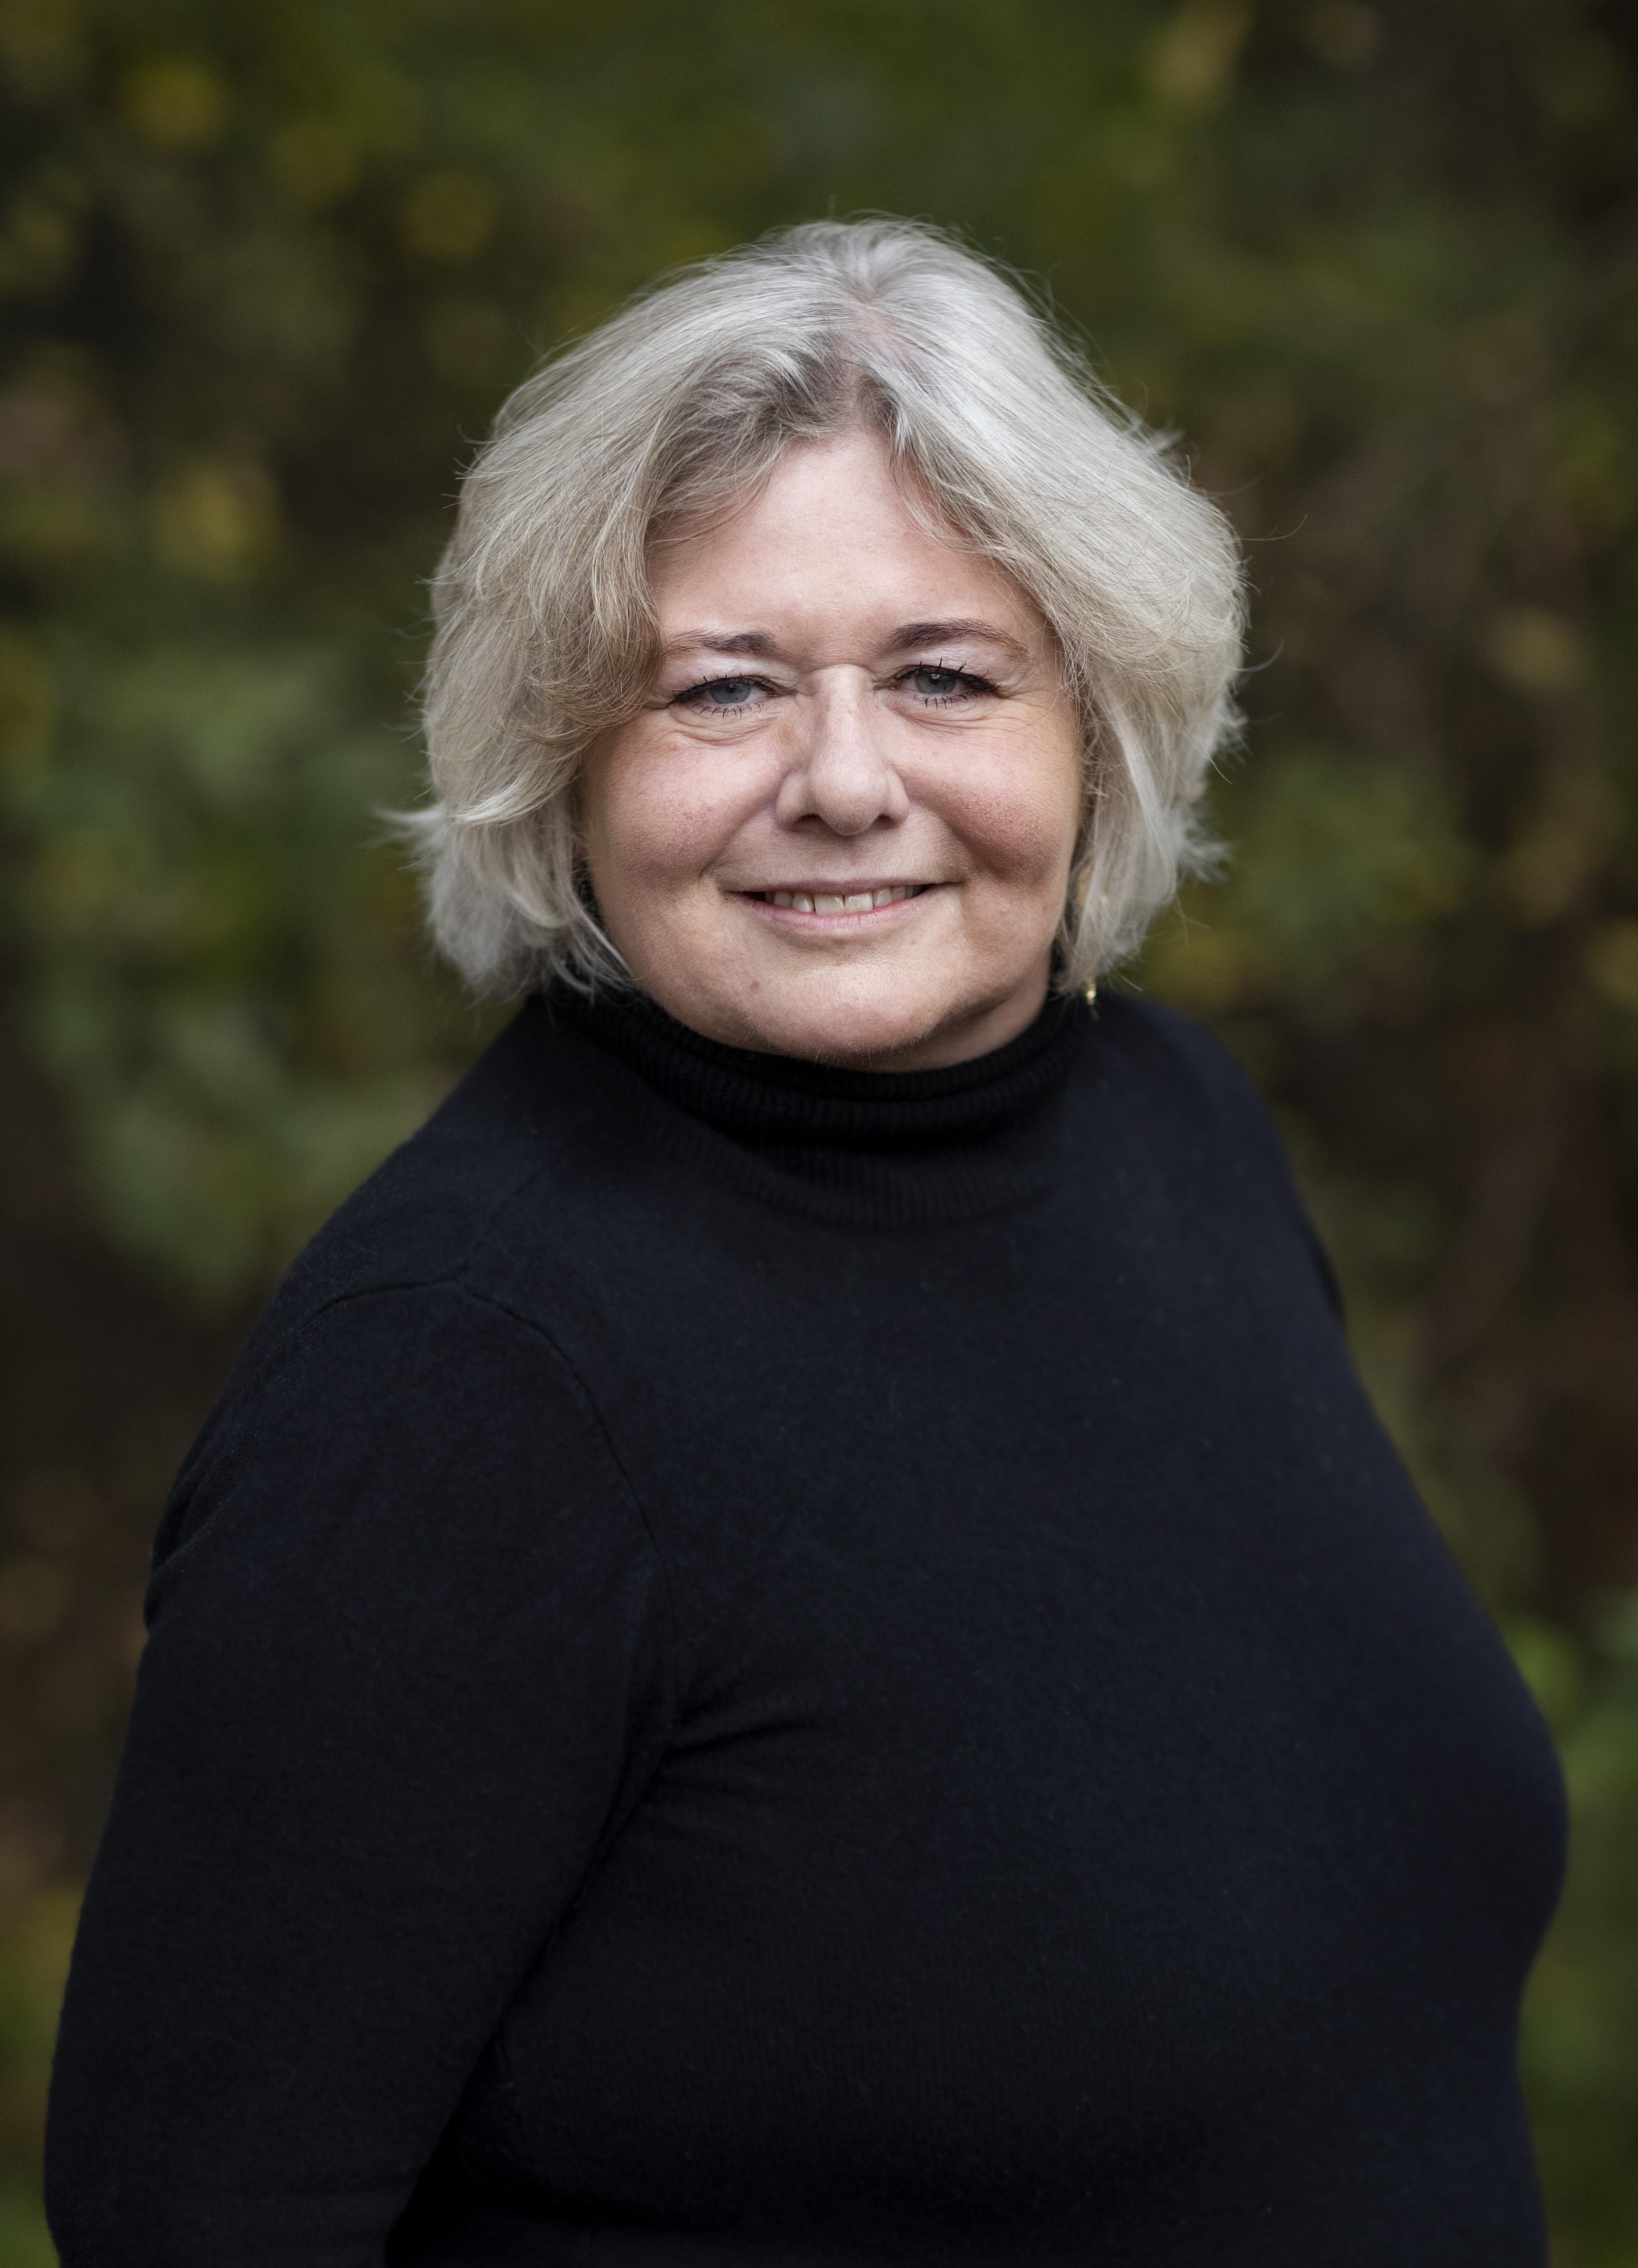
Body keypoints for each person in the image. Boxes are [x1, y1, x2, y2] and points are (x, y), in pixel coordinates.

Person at [45, 220, 1564, 2266]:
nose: (843, 782)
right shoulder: (464, 1373)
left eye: (944, 675)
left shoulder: (1177, 1129)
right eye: (724, 688)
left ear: (1099, 720)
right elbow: (195, 2212)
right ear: (561, 758)